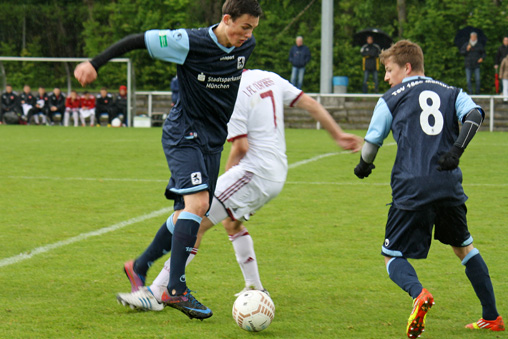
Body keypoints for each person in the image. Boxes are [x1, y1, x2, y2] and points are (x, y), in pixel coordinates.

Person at [74, 0, 263, 320]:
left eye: (253, 29)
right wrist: (95, 63)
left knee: (184, 216)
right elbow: (138, 40)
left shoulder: (247, 46)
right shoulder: (188, 41)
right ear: (226, 19)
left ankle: (140, 266)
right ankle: (174, 289)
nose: (248, 35)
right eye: (244, 27)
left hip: (213, 142)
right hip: (184, 133)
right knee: (198, 206)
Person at [115, 68, 364, 311]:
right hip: (276, 173)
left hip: (253, 172)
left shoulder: (231, 93)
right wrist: (338, 135)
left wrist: (223, 179)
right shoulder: (268, 77)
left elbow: (240, 147)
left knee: (194, 220)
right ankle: (255, 286)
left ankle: (157, 293)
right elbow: (310, 103)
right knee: (231, 223)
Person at [353, 40, 504, 338]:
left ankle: (418, 294)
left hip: (412, 186)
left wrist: (364, 166)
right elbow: (475, 115)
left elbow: (371, 143)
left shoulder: (391, 97)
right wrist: (456, 150)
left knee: (391, 254)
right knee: (464, 247)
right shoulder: (452, 92)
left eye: (389, 69)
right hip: (448, 185)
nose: (386, 77)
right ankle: (492, 317)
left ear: (407, 67)